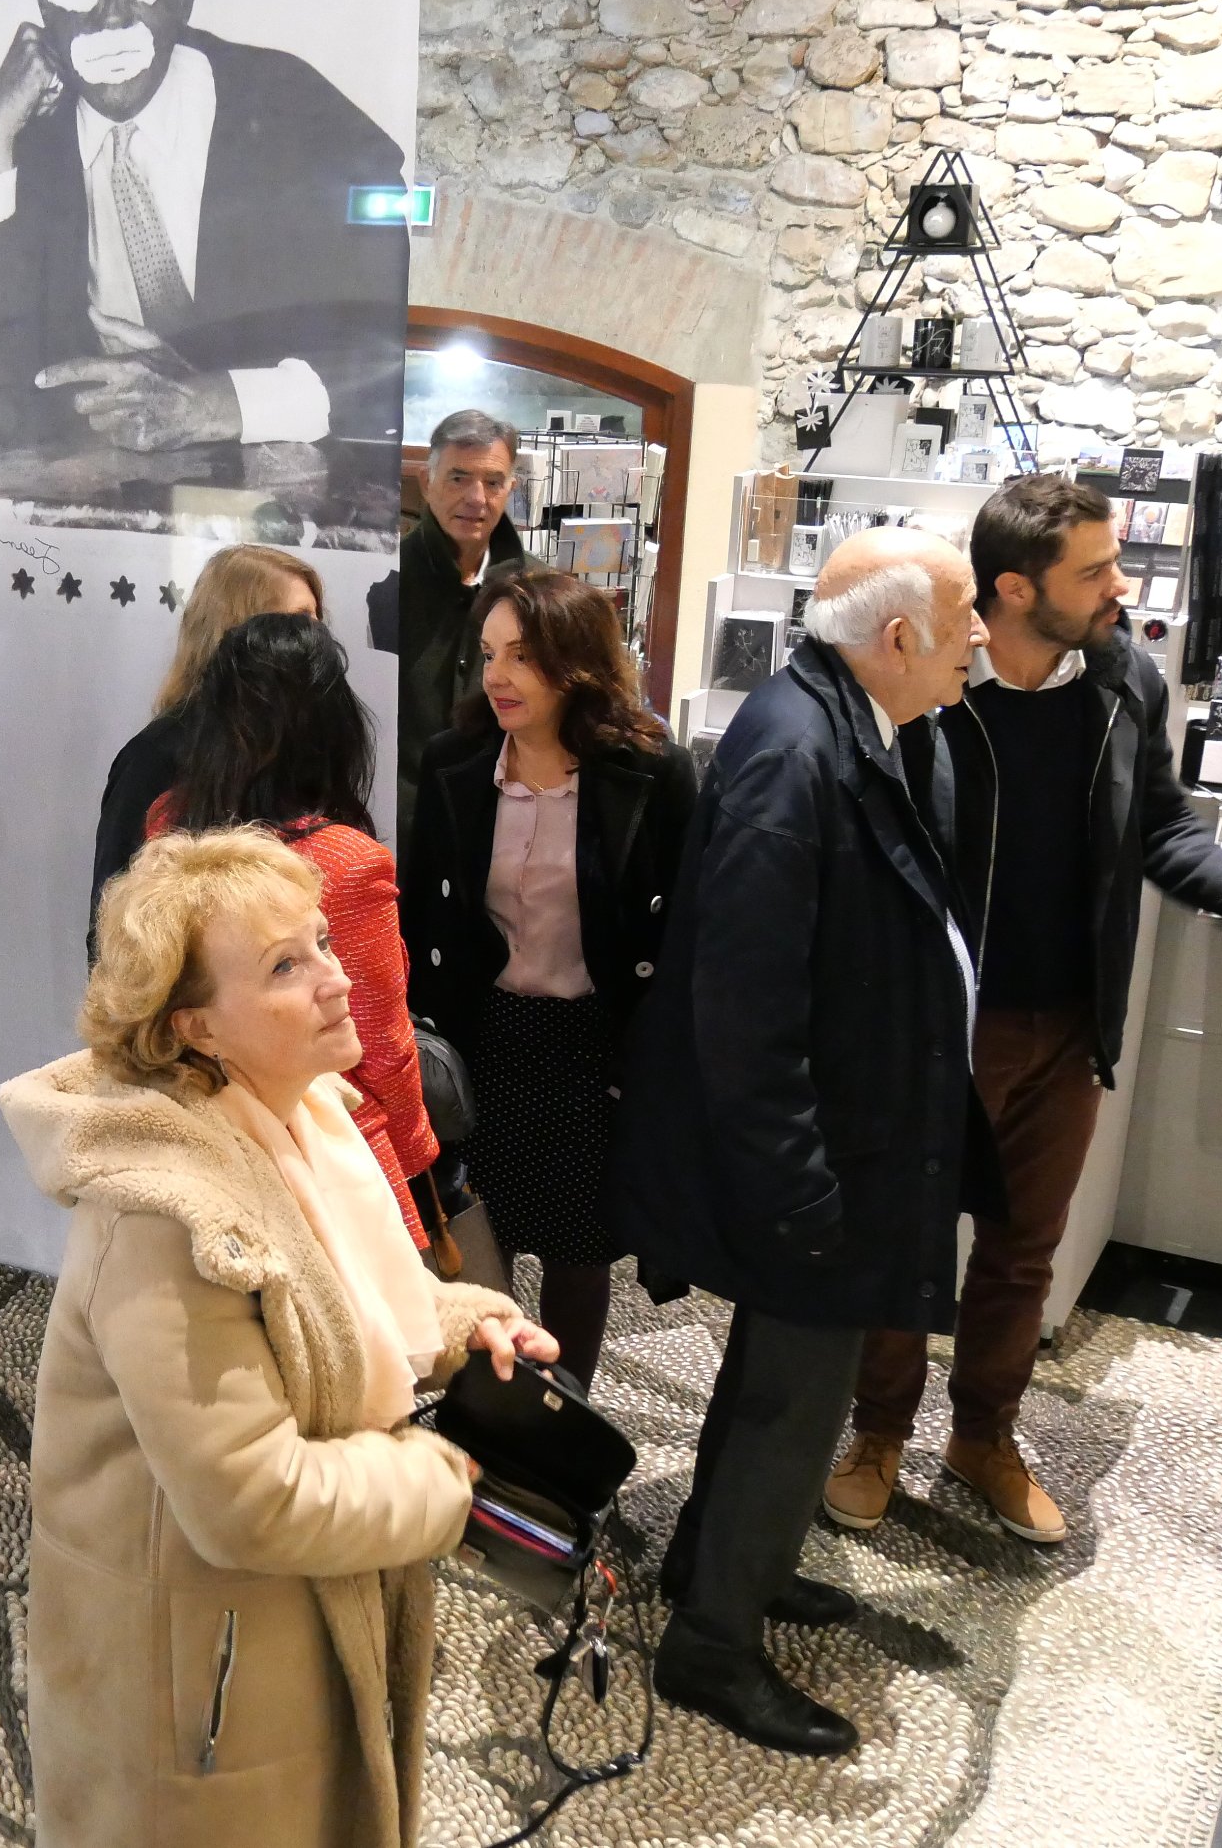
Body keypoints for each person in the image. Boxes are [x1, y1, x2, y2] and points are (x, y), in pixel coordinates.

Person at [0, 828, 554, 1847]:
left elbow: (344, 1311)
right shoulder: (166, 1219)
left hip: (281, 1627)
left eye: (321, 943)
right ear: (197, 1025)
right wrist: (450, 1482)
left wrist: (467, 1323)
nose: (336, 979)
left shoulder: (305, 1119)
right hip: (203, 1685)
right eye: (284, 966)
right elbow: (251, 1498)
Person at [828, 476, 1222, 1545]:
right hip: (943, 1022)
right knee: (905, 1235)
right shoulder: (931, 680)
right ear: (1013, 588)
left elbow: (1161, 826)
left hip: (1070, 1022)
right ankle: (877, 1431)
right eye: (1094, 570)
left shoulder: (1125, 678)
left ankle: (982, 1434)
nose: (1119, 585)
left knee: (1023, 1249)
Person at [608, 528, 993, 1757]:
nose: (979, 637)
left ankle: (720, 1564)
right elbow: (745, 1000)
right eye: (964, 616)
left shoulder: (846, 724)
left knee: (777, 1377)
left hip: (839, 1133)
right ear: (900, 635)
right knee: (794, 1394)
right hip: (812, 1154)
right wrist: (796, 1186)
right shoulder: (798, 751)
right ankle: (712, 1645)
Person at [0, 0, 407, 501]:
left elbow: (386, 346)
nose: (111, 9)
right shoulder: (7, 124)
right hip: (89, 522)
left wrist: (217, 403)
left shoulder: (301, 121)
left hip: (285, 518)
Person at [402, 569, 698, 1387]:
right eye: (489, 653)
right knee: (473, 1243)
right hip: (482, 1039)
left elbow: (681, 931)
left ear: (577, 663)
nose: (496, 675)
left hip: (590, 1050)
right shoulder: (457, 761)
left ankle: (565, 1412)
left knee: (578, 1251)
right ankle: (483, 1415)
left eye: (522, 656)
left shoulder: (649, 773)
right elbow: (422, 918)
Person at [150, 613, 436, 1247]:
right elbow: (381, 1040)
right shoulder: (346, 862)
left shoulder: (168, 825)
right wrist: (418, 1154)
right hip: (332, 1142)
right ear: (332, 723)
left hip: (213, 1124)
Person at [89, 543, 322, 938]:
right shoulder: (156, 757)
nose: (319, 639)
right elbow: (114, 925)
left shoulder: (306, 752)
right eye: (301, 620)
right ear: (242, 628)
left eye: (318, 620)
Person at [392, 409, 530, 838]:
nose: (476, 497)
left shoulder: (537, 594)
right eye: (458, 478)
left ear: (511, 489)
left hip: (503, 826)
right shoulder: (381, 583)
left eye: (493, 482)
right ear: (425, 481)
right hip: (393, 829)